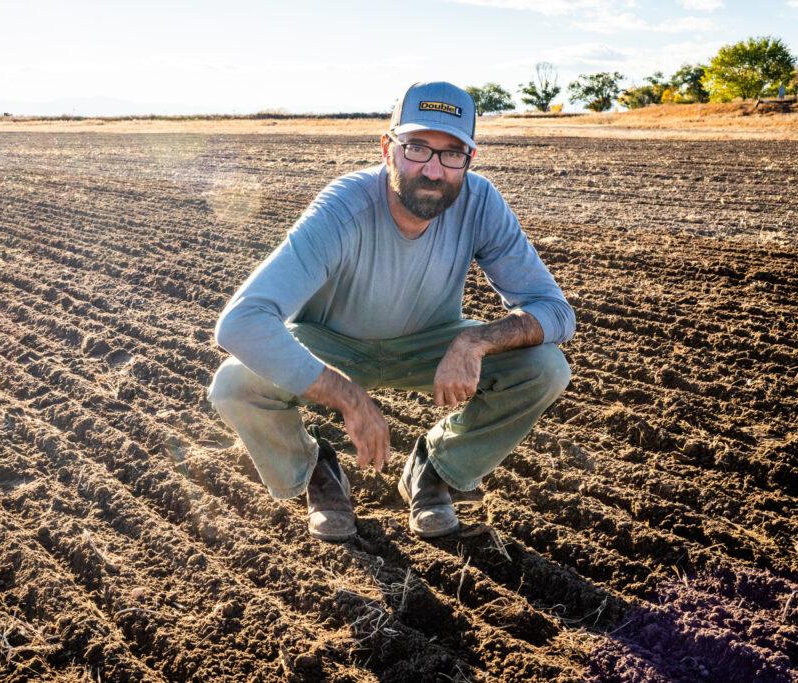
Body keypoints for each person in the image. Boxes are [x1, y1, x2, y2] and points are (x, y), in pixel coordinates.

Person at [208, 81, 575, 542]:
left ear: (470, 160)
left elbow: (556, 311)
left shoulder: (481, 203)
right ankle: (317, 472)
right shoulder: (343, 207)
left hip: (429, 342)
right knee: (235, 386)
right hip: (332, 345)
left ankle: (435, 470)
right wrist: (349, 397)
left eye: (451, 154)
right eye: (417, 148)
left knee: (544, 368)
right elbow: (241, 321)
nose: (434, 170)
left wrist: (474, 341)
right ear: (388, 148)